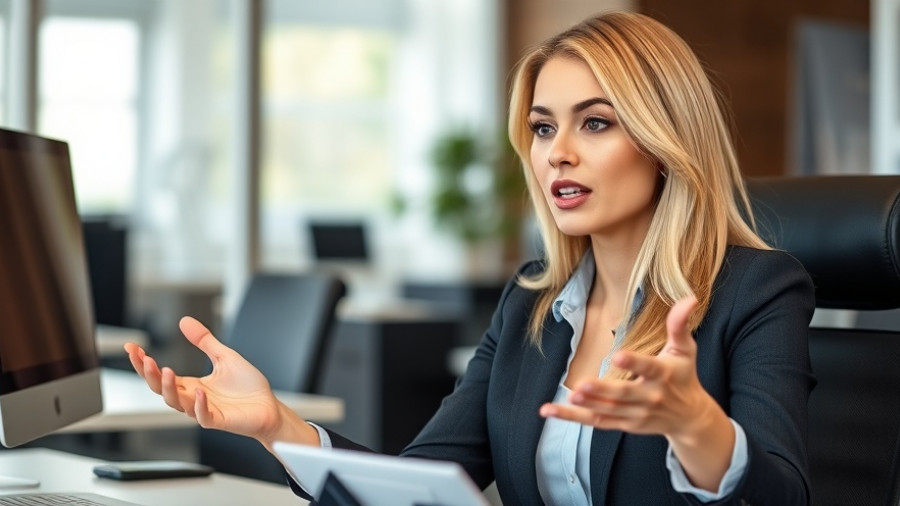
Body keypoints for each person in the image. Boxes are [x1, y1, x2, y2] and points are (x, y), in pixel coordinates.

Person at [124, 11, 815, 505]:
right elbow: (421, 482)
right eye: (543, 128)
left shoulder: (757, 293)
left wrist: (697, 428)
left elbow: (783, 493)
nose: (558, 152)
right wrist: (279, 426)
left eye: (595, 122)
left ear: (666, 142)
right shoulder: (531, 303)